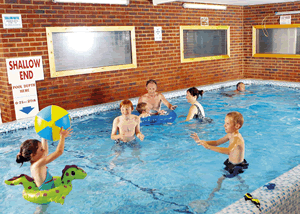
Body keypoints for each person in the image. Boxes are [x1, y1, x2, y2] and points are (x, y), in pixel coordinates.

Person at [189, 112, 248, 212]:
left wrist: (209, 147)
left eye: (228, 123)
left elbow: (229, 150)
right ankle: (242, 183)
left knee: (220, 180)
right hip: (231, 164)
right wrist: (202, 141)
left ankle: (209, 200)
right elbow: (217, 142)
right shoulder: (230, 134)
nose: (224, 125)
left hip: (237, 166)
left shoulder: (237, 138)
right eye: (225, 123)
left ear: (237, 126)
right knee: (225, 178)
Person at [16, 127, 72, 213]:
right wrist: (62, 137)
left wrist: (44, 136)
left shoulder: (36, 162)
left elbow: (45, 152)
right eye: (41, 149)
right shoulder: (38, 165)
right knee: (41, 210)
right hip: (44, 196)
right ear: (32, 155)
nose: (44, 150)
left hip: (45, 190)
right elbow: (59, 152)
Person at [110, 100, 145, 167]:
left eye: (127, 109)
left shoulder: (136, 118)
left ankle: (139, 165)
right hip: (120, 142)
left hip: (132, 141)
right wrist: (119, 135)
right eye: (122, 109)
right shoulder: (117, 120)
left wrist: (140, 135)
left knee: (137, 154)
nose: (125, 111)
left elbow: (137, 131)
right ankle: (112, 165)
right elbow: (112, 136)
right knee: (117, 154)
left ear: (132, 109)